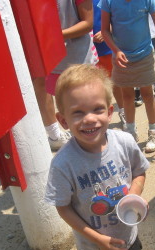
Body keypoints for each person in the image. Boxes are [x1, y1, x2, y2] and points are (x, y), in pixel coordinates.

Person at [44, 64, 155, 250]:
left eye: (97, 109)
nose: (89, 119)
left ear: (110, 111)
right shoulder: (63, 164)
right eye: (78, 113)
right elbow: (62, 207)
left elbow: (139, 171)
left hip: (128, 233)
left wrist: (134, 194)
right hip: (94, 248)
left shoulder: (124, 141)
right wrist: (98, 240)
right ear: (63, 121)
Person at [100, 0, 155, 153]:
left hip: (144, 56)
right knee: (127, 96)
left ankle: (154, 132)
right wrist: (116, 50)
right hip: (121, 57)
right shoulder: (108, 2)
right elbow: (104, 30)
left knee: (148, 94)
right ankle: (130, 132)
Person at [33, 0, 95, 151]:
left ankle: (92, 142)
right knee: (63, 106)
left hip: (78, 57)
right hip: (48, 56)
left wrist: (55, 35)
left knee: (86, 104)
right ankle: (56, 136)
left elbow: (88, 23)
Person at [92, 0, 126, 130]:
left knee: (115, 83)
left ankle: (123, 111)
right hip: (88, 49)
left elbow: (118, 17)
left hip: (107, 47)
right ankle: (100, 116)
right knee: (95, 87)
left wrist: (107, 30)